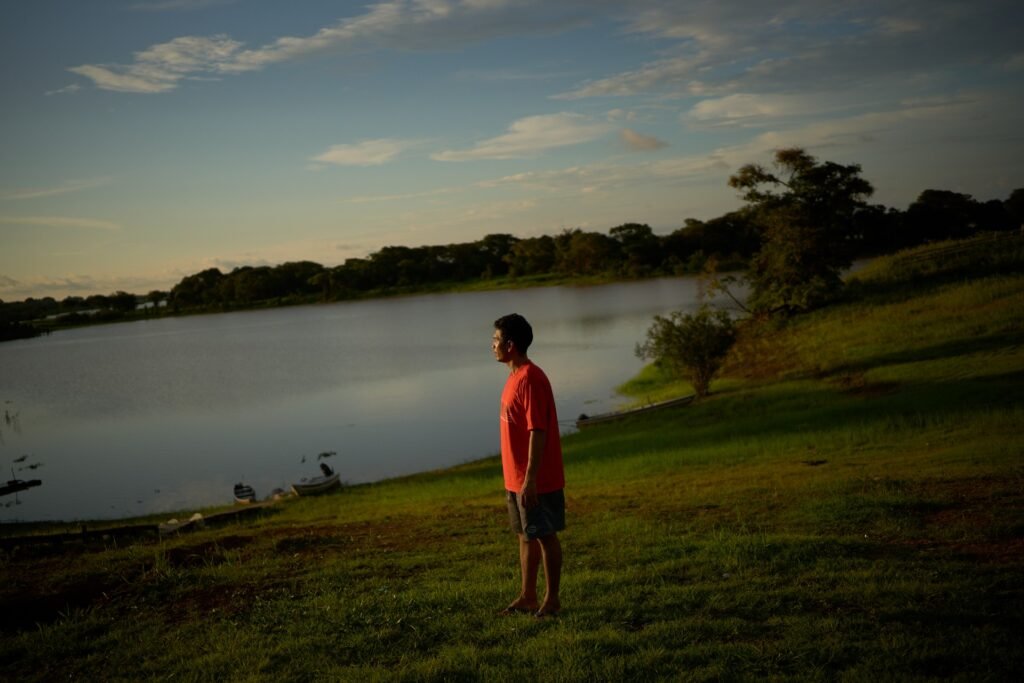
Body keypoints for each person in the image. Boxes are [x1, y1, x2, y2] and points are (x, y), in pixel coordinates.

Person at [492, 313, 565, 618]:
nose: (492, 345)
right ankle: (527, 596)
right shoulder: (514, 377)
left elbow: (538, 430)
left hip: (535, 479)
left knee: (545, 536)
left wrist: (531, 479)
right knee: (526, 535)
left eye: (496, 340)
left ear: (510, 344)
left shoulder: (531, 378)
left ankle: (552, 600)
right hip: (516, 478)